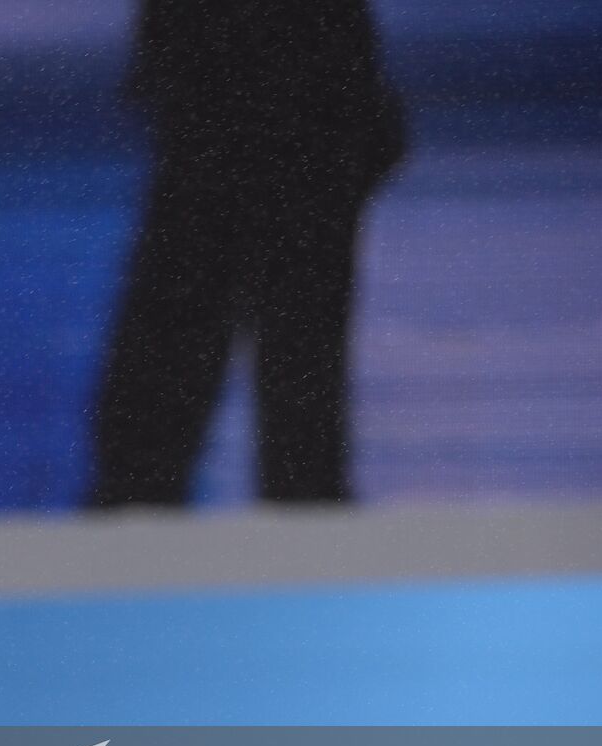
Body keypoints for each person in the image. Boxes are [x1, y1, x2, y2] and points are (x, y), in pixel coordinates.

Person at [92, 0, 405, 506]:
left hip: (256, 81)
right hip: (293, 85)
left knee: (201, 306)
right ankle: (296, 498)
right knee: (286, 319)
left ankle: (139, 494)